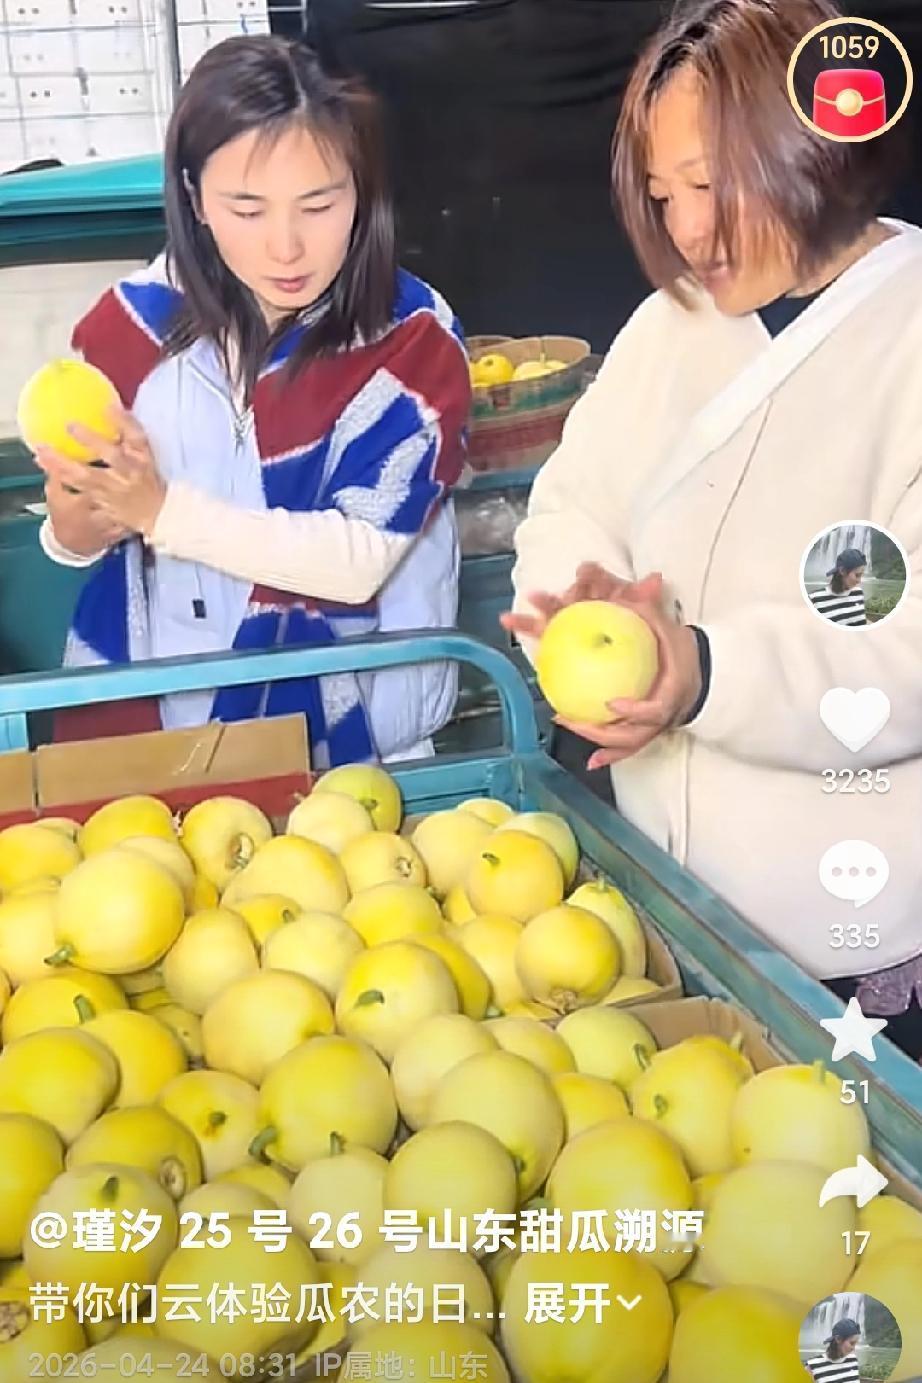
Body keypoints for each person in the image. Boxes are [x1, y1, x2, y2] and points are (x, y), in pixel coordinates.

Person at [502, 0, 922, 1059]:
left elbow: (902, 654)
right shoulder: (671, 325)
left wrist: (701, 673)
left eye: (712, 186)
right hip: (661, 902)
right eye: (661, 193)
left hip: (847, 933)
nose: (688, 230)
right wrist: (575, 610)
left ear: (815, 149)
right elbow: (574, 498)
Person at [33, 36, 470, 769]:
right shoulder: (130, 332)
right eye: (247, 208)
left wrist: (162, 513)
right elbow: (94, 523)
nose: (286, 247)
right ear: (194, 195)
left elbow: (359, 557)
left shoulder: (414, 344)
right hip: (174, 738)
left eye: (319, 203)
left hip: (368, 753)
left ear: (362, 190)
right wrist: (74, 533)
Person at [809, 548, 868, 627]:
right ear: (842, 571)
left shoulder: (858, 593)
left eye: (861, 575)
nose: (859, 581)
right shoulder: (815, 600)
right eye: (857, 575)